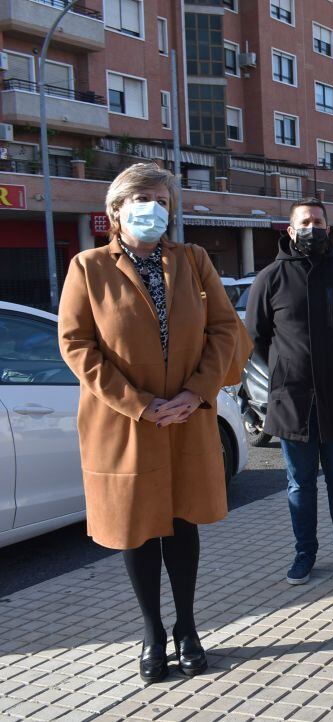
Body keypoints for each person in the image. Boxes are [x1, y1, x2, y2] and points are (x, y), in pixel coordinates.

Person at [58, 163, 243, 683]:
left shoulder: (193, 260)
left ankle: (188, 628)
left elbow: (224, 329)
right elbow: (76, 345)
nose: (153, 209)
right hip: (125, 423)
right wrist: (139, 403)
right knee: (138, 532)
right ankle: (152, 633)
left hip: (186, 417)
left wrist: (196, 392)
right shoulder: (88, 267)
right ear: (115, 210)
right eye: (141, 199)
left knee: (182, 525)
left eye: (161, 199)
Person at [245, 198, 333, 585]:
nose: (312, 228)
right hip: (292, 401)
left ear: (329, 230)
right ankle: (304, 555)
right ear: (290, 229)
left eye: (319, 221)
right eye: (305, 221)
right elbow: (256, 335)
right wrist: (288, 366)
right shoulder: (271, 278)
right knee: (300, 484)